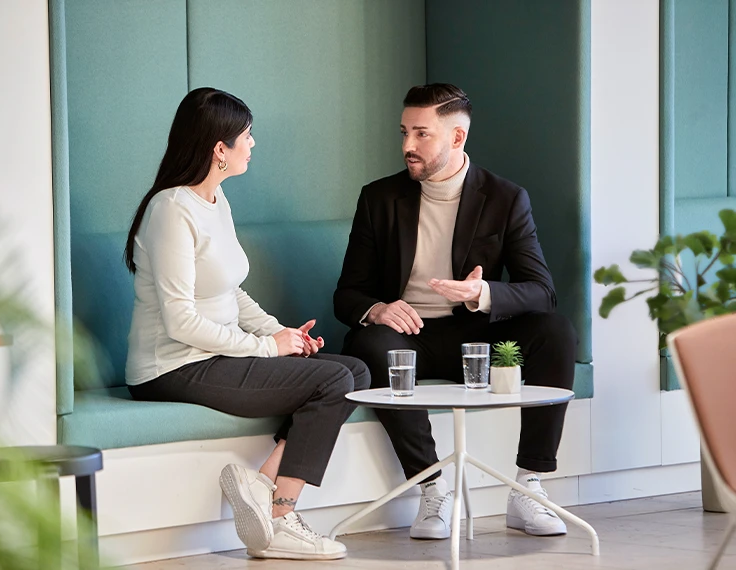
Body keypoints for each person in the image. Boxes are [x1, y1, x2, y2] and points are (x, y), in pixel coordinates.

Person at [124, 87, 370, 560]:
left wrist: (283, 334)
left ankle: (261, 484)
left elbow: (229, 290)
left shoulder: (216, 201)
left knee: (355, 371)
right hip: (172, 367)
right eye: (247, 135)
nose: (252, 144)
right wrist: (266, 348)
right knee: (335, 380)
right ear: (220, 148)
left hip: (215, 356)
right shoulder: (171, 209)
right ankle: (281, 518)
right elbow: (179, 321)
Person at [335, 83, 577, 540]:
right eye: (404, 132)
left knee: (556, 332)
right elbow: (347, 293)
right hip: (408, 336)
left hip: (478, 334)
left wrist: (482, 292)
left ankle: (529, 488)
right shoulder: (379, 198)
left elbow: (541, 291)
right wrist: (378, 309)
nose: (408, 145)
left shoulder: (506, 198)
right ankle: (433, 490)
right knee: (371, 341)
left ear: (457, 138)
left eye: (421, 134)